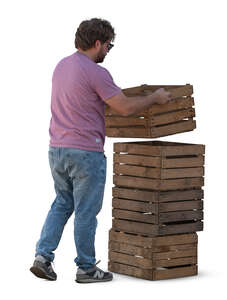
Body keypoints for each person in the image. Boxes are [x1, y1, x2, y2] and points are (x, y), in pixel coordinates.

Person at [30, 18, 171, 284]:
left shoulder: (62, 66)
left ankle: (42, 257)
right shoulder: (96, 73)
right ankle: (85, 268)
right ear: (97, 43)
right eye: (109, 45)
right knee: (86, 211)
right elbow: (125, 108)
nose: (108, 50)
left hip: (57, 149)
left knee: (62, 203)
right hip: (85, 153)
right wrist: (155, 98)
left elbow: (81, 100)